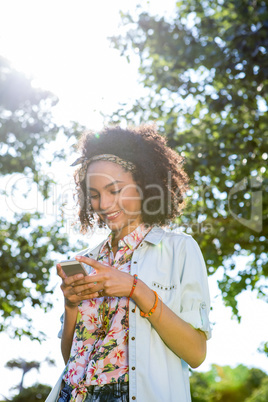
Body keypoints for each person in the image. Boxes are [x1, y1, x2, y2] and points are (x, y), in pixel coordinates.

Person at [55, 125, 211, 402]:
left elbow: (196, 353)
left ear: (143, 183)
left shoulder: (179, 249)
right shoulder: (90, 260)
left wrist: (136, 289)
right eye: (94, 194)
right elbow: (73, 357)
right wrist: (71, 305)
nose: (103, 204)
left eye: (114, 190)